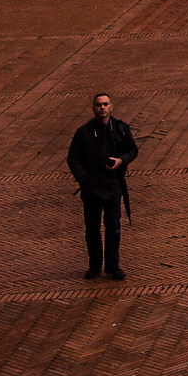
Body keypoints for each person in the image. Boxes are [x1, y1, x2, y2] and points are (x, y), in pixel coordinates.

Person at [67, 92, 138, 281]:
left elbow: (133, 150)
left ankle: (112, 265)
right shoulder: (83, 133)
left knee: (113, 227)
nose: (102, 108)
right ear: (93, 108)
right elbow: (72, 158)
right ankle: (95, 265)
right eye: (99, 105)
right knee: (92, 229)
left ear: (111, 107)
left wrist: (120, 161)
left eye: (105, 104)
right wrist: (84, 180)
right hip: (91, 189)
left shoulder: (121, 129)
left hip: (113, 187)